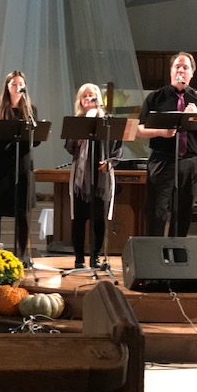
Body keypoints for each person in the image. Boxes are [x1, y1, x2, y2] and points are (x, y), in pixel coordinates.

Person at [137, 52, 197, 237]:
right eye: (177, 67)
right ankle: (156, 250)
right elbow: (139, 130)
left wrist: (195, 117)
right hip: (162, 159)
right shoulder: (156, 97)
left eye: (185, 67)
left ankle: (178, 250)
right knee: (157, 210)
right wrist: (161, 132)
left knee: (184, 210)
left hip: (190, 161)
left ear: (192, 73)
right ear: (171, 71)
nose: (181, 70)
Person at [64, 83, 123, 269]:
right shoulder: (77, 121)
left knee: (99, 219)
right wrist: (77, 141)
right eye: (84, 96)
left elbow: (118, 147)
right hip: (81, 179)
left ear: (98, 98)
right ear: (80, 101)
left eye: (92, 95)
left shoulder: (107, 121)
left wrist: (111, 162)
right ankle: (79, 259)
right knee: (79, 219)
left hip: (101, 176)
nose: (88, 99)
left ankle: (95, 257)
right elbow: (68, 146)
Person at [0, 70, 39, 260]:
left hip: (22, 168)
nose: (17, 87)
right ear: (7, 86)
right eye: (13, 84)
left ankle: (22, 257)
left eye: (20, 84)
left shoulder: (31, 110)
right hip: (0, 166)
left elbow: (35, 142)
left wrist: (35, 132)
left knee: (22, 214)